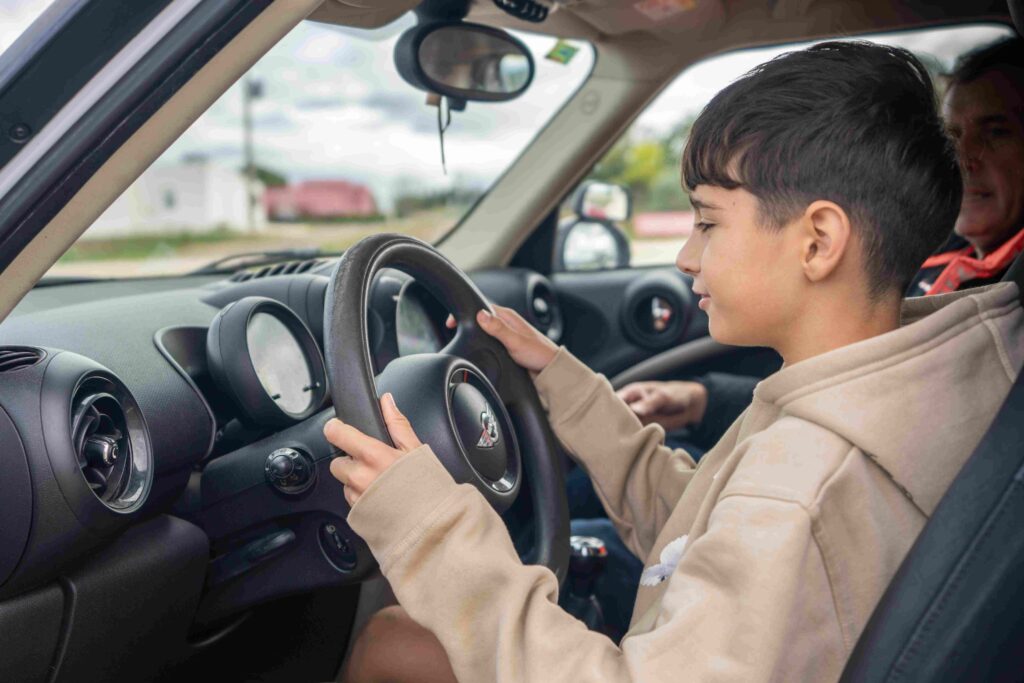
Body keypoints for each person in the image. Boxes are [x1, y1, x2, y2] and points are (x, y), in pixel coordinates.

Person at [326, 41, 1023, 682]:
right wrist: (563, 382)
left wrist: (429, 528)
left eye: (708, 221)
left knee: (390, 642)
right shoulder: (885, 387)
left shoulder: (799, 488)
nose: (688, 256)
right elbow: (699, 528)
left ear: (817, 242)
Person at [618, 35, 1024, 460]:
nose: (963, 158)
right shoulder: (933, 258)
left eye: (996, 132)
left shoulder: (1003, 316)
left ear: (819, 242)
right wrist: (704, 399)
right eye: (954, 134)